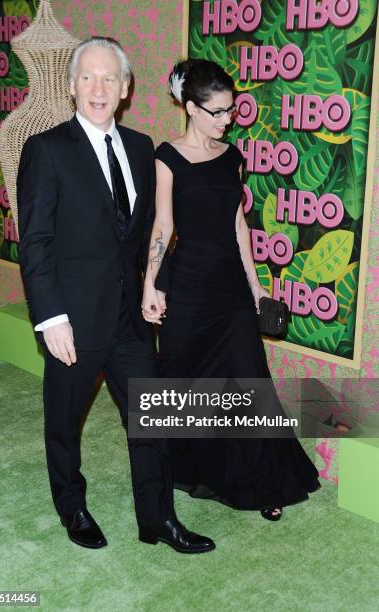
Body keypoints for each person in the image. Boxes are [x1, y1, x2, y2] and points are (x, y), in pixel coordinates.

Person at [17, 39, 215, 554]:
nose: (98, 88)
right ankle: (72, 506)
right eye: (87, 77)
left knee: (152, 421)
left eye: (109, 78)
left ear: (126, 88)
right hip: (73, 323)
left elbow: (151, 229)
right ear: (71, 85)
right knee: (63, 424)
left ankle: (158, 519)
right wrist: (50, 318)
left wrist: (153, 283)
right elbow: (35, 242)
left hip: (130, 321)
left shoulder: (139, 147)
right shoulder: (47, 149)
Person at [142, 58, 320, 520]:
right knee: (181, 382)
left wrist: (257, 288)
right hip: (187, 287)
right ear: (190, 108)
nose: (227, 120)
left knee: (248, 381)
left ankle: (263, 482)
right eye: (218, 112)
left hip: (230, 290)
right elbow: (163, 226)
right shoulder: (168, 157)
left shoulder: (233, 157)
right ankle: (182, 464)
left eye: (231, 111)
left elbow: (238, 225)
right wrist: (150, 284)